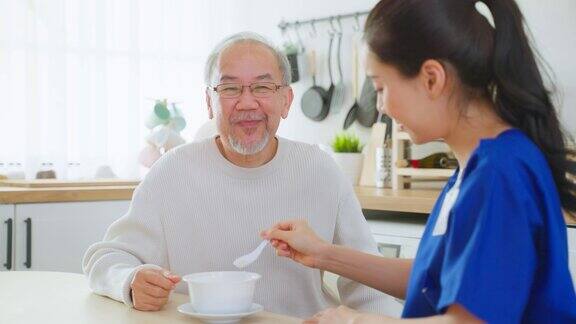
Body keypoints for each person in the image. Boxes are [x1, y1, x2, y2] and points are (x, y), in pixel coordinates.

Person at [262, 0, 576, 322]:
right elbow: (433, 281)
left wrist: (354, 320)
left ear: (431, 79)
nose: (380, 107)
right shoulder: (473, 169)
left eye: (380, 87)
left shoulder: (499, 173)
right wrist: (323, 254)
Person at [83, 32, 400, 318]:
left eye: (262, 87)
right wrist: (130, 281)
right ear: (209, 102)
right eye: (230, 88)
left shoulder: (321, 169)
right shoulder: (172, 172)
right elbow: (105, 257)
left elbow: (368, 285)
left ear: (285, 100)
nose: (247, 103)